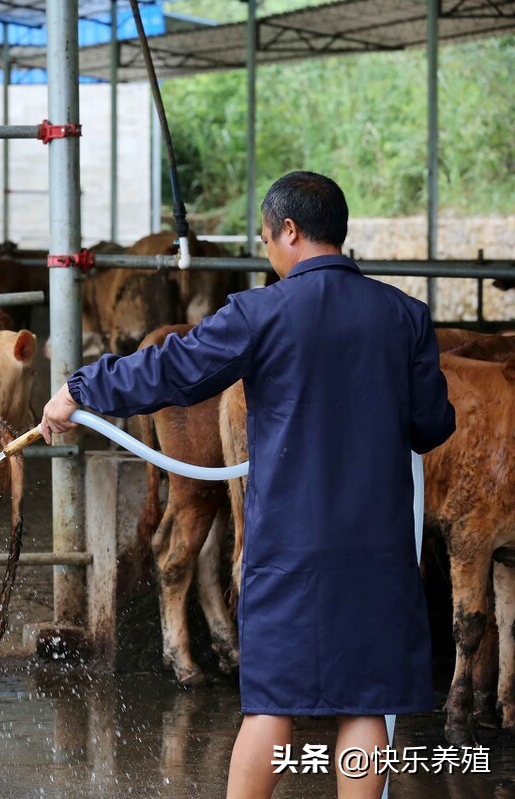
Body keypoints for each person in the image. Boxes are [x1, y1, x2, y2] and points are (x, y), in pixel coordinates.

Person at [40, 171, 456, 799]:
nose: (268, 253)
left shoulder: (260, 313)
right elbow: (431, 426)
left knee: (271, 709)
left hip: (287, 549)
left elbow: (174, 370)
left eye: (266, 240)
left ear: (289, 230)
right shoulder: (404, 316)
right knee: (366, 708)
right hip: (377, 551)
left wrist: (81, 389)